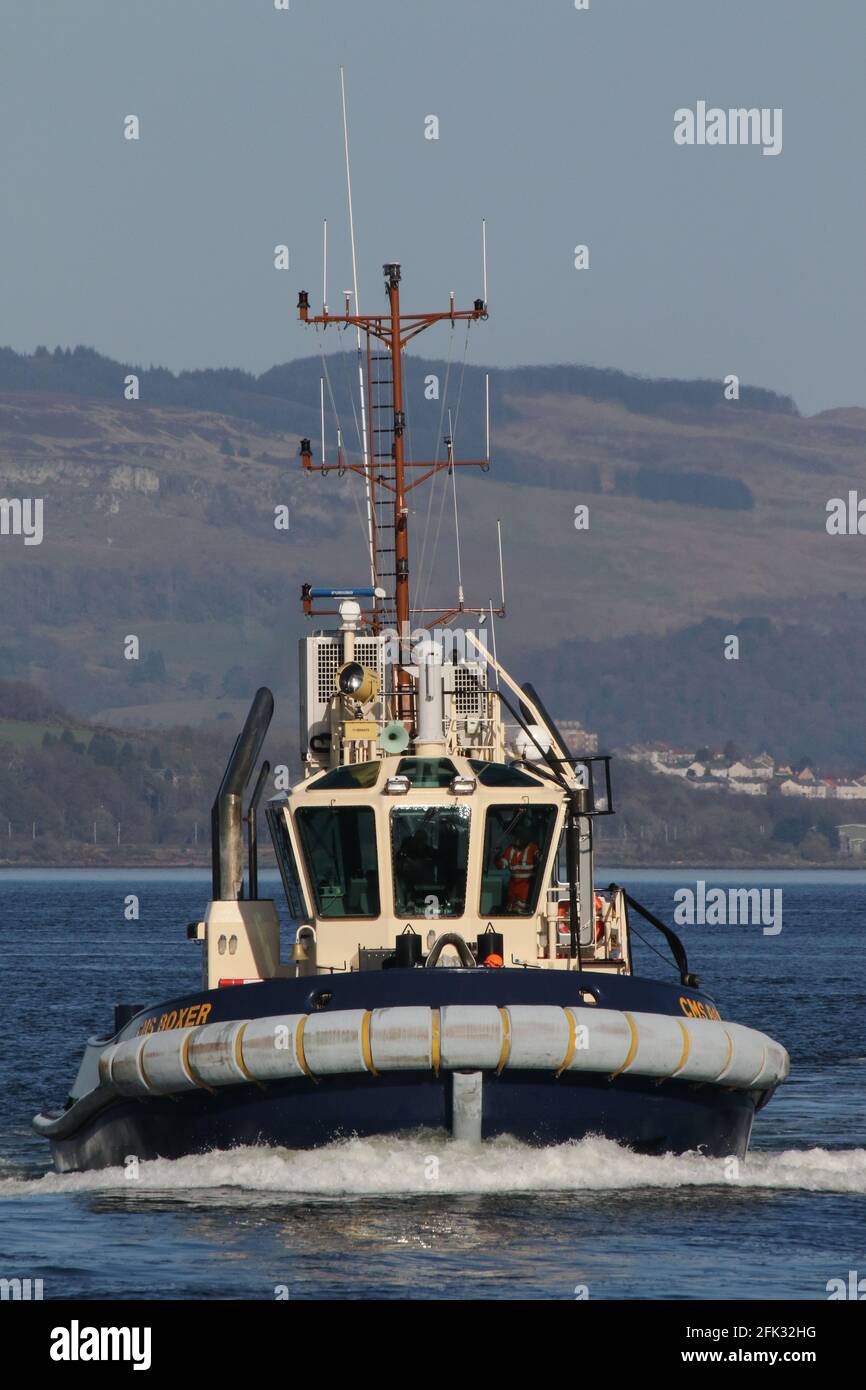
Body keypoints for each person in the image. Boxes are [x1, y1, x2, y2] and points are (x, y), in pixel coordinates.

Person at [497, 823, 540, 912]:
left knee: (523, 912)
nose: (517, 839)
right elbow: (502, 864)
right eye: (516, 837)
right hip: (513, 887)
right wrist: (497, 856)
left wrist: (539, 856)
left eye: (520, 837)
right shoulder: (511, 849)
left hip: (527, 887)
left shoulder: (532, 848)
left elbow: (540, 857)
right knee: (511, 911)